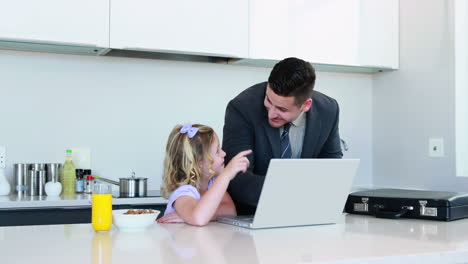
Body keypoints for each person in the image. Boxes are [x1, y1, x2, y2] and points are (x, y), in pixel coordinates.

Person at [223, 57, 343, 215]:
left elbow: (331, 170)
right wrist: (295, 195)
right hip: (254, 214)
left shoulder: (328, 110)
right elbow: (237, 179)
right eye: (268, 100)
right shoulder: (242, 108)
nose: (271, 113)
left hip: (309, 214)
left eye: (282, 109)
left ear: (305, 105)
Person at [157, 123, 252, 226]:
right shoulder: (183, 193)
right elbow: (199, 219)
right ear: (199, 162)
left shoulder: (212, 183)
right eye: (217, 151)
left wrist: (189, 217)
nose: (224, 153)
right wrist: (226, 175)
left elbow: (230, 211)